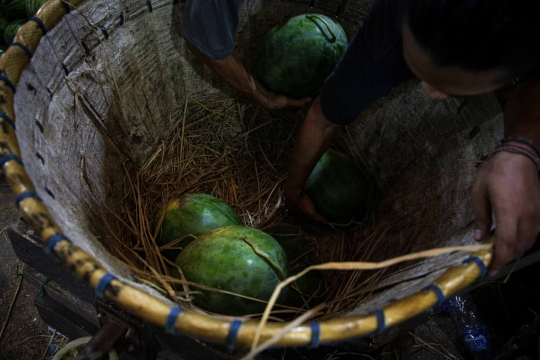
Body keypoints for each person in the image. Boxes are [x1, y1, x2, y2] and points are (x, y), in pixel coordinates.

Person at [183, 0, 540, 276]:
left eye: (451, 88)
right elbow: (323, 119)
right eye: (417, 70)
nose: (428, 93)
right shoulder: (392, 21)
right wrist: (292, 192)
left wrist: (520, 147)